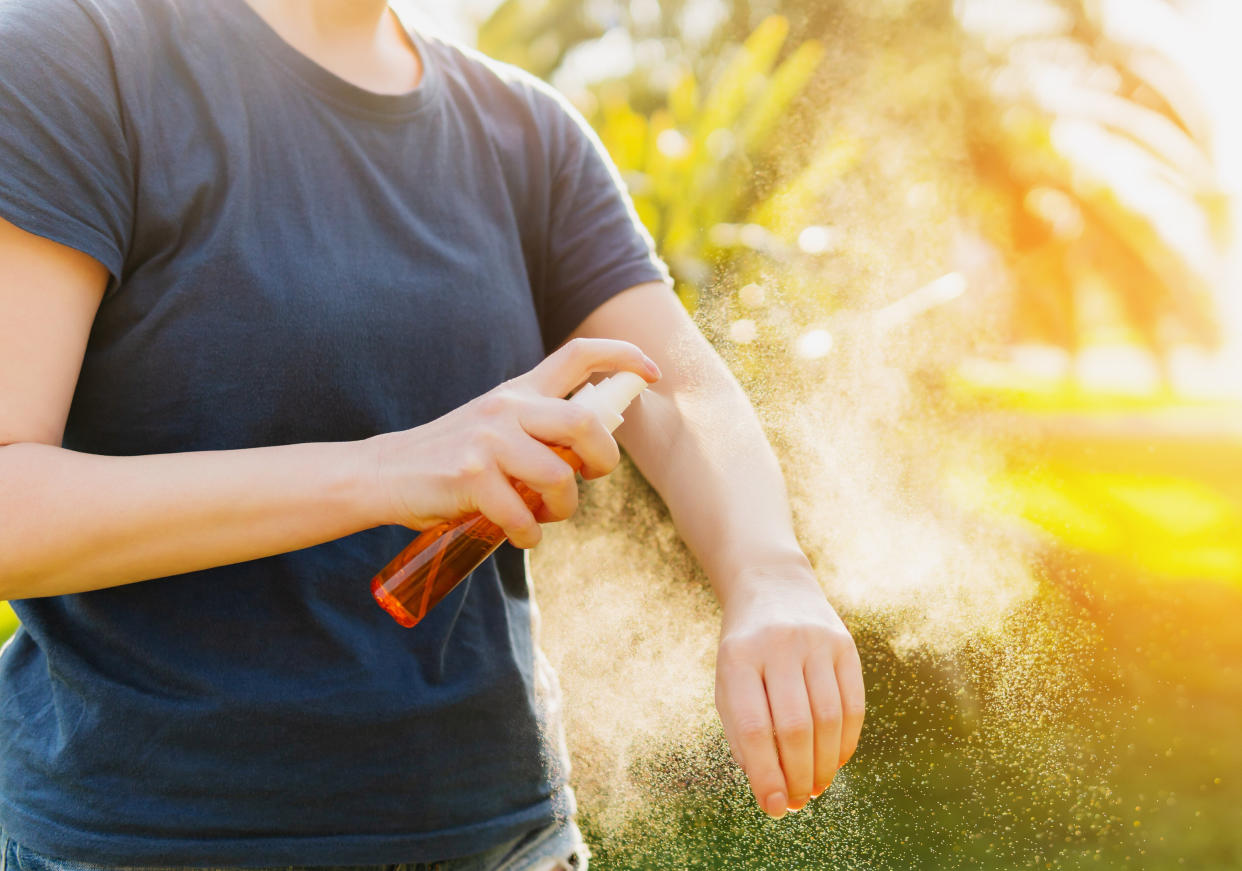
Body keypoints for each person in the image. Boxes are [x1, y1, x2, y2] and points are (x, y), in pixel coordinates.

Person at [0, 0, 866, 867]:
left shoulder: (528, 133)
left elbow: (672, 386)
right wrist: (385, 470)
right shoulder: (77, 59)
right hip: (146, 841)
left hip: (508, 840)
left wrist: (768, 573)